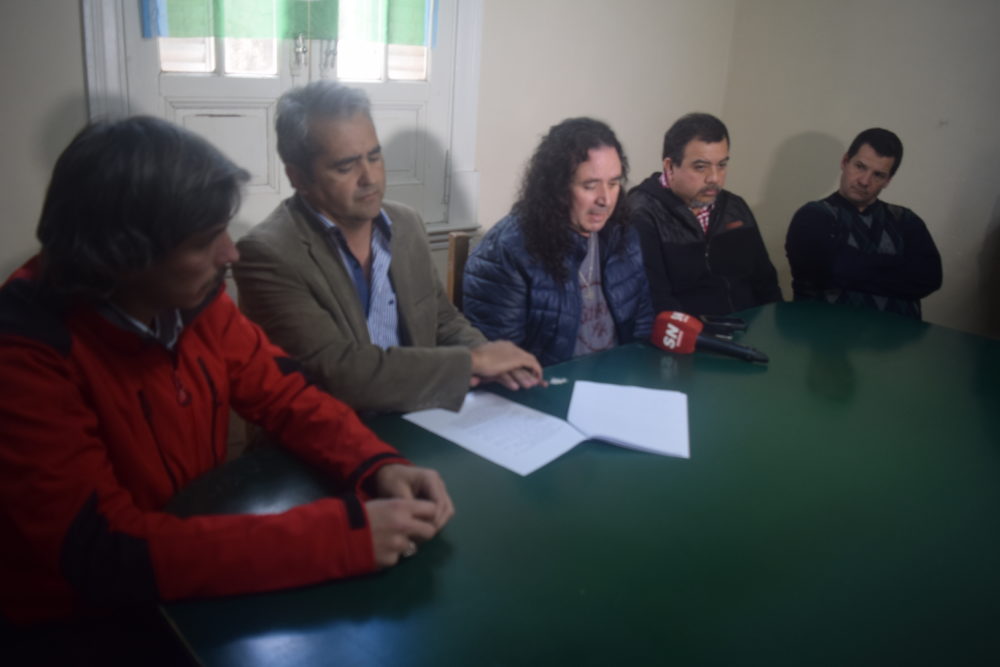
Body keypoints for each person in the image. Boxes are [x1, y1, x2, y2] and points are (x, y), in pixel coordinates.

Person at [0, 117, 453, 655]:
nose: (229, 254)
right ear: (122, 257)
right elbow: (104, 553)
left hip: (199, 568)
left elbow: (287, 396)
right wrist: (343, 537)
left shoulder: (194, 301)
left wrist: (378, 464)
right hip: (84, 627)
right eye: (203, 242)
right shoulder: (26, 352)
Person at [234, 82, 542, 414]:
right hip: (329, 433)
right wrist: (474, 361)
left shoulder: (406, 223)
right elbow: (339, 372)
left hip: (420, 417)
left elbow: (442, 320)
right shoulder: (267, 254)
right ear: (298, 177)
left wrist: (496, 361)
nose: (370, 178)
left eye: (375, 156)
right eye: (346, 166)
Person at [462, 117, 653, 366]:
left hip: (618, 378)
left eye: (614, 183)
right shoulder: (506, 251)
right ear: (556, 187)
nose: (605, 199)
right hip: (546, 385)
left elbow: (642, 330)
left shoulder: (623, 234)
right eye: (590, 186)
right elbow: (500, 366)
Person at [627, 112, 782, 315]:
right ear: (670, 167)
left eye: (722, 165)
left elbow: (765, 282)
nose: (714, 178)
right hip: (689, 331)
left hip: (748, 325)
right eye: (701, 167)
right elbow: (657, 303)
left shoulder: (734, 206)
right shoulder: (642, 214)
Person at [785, 127, 942, 319]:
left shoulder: (906, 220)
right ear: (845, 162)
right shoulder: (812, 215)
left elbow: (930, 278)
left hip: (898, 335)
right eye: (860, 166)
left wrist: (851, 265)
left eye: (878, 175)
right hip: (826, 332)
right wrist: (900, 270)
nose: (865, 181)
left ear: (888, 180)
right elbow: (827, 268)